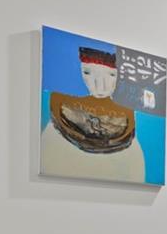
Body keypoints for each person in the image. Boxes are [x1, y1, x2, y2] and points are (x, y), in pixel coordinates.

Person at [41, 47, 145, 183]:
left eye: (112, 75)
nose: (100, 87)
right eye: (87, 72)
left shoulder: (125, 114)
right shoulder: (62, 106)